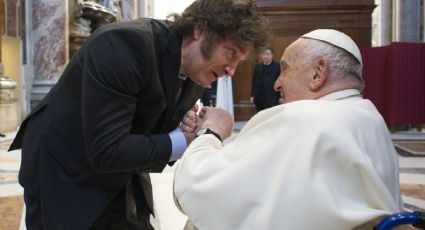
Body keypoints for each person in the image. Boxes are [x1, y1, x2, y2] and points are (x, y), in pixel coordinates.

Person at [9, 0, 270, 229]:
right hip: (64, 172)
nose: (232, 70)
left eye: (239, 61)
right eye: (231, 53)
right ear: (200, 30)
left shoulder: (195, 71)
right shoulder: (124, 45)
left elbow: (152, 139)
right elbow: (107, 151)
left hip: (120, 173)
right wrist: (184, 139)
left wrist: (183, 129)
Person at [174, 29, 403, 229]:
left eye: (285, 69)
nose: (277, 83)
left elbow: (203, 188)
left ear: (318, 73)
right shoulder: (370, 116)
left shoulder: (303, 117)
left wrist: (211, 132)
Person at [250, 47, 281, 112]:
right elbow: (254, 81)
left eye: (267, 54)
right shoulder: (258, 66)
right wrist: (252, 95)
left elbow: (280, 82)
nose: (265, 56)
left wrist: (281, 96)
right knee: (260, 115)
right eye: (263, 54)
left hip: (272, 97)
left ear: (272, 55)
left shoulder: (277, 66)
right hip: (259, 97)